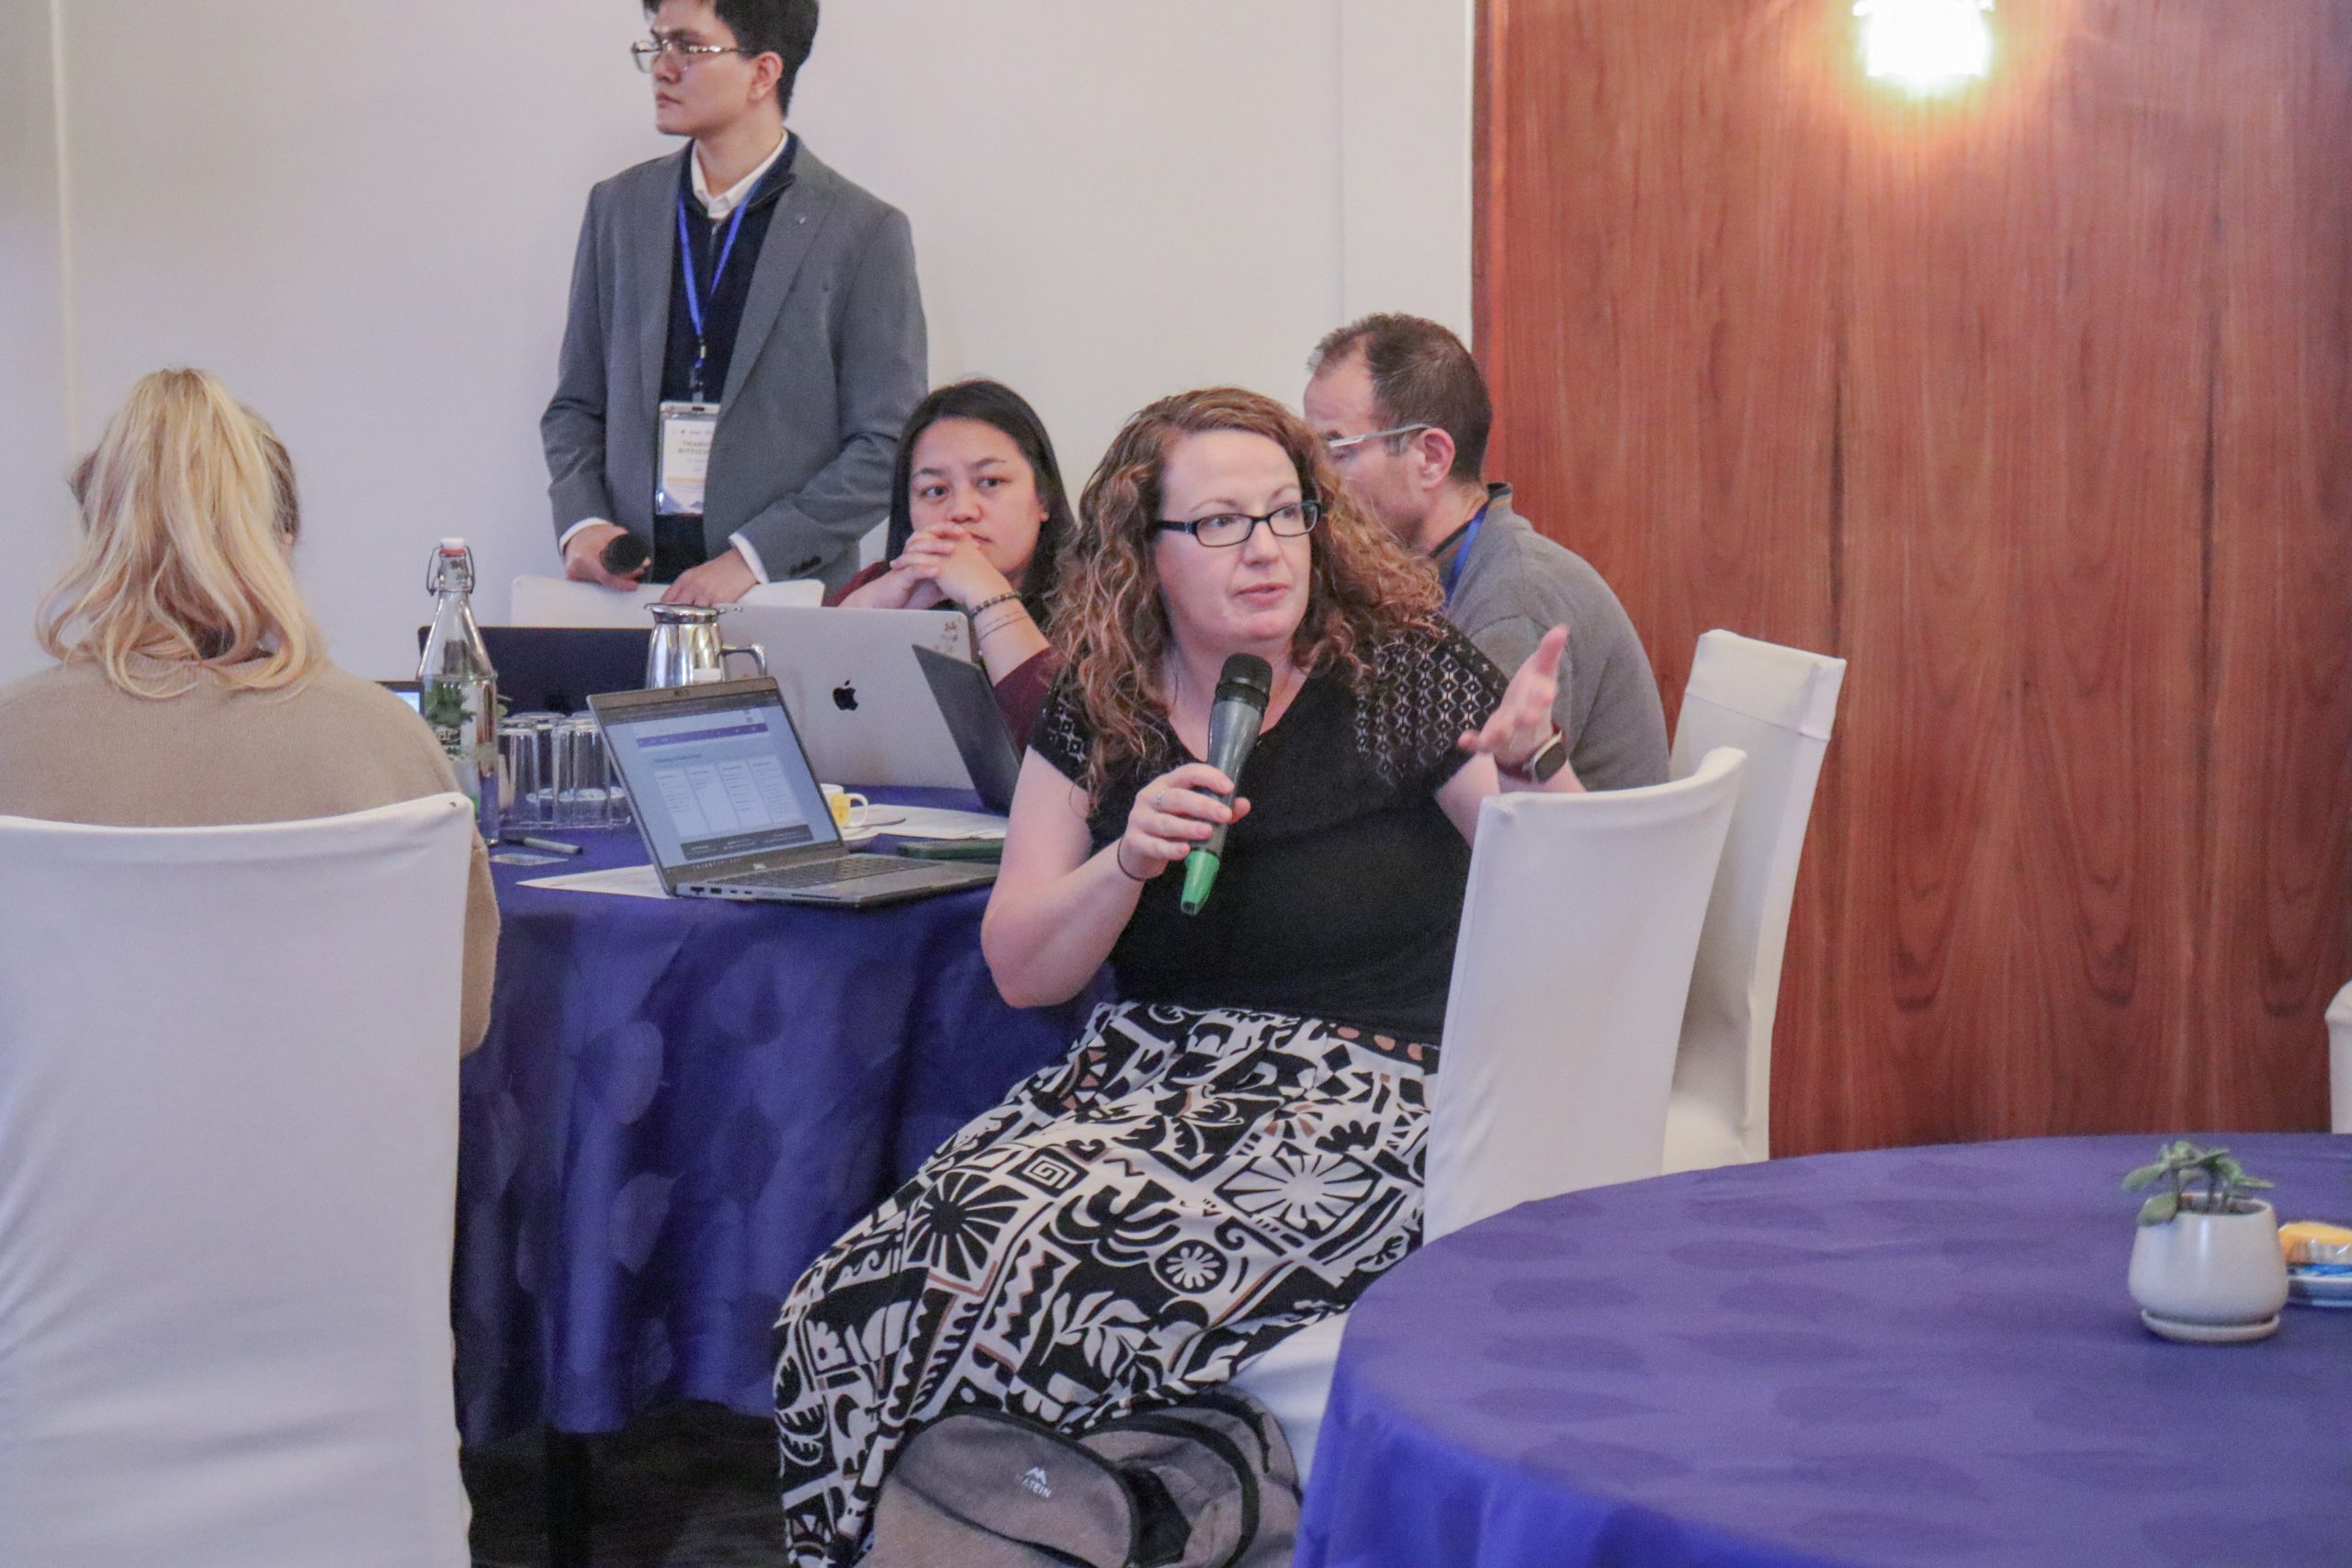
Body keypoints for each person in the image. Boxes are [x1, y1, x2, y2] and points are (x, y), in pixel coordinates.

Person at [771, 387, 1582, 1563]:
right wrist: (1124, 862)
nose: (1263, 548)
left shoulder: (1399, 670)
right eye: (1217, 523)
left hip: (1369, 1097)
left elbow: (1577, 911)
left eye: (1285, 513)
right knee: (844, 1302)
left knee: (1039, 1286)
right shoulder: (1103, 701)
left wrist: (1534, 767)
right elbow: (1022, 970)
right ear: (1142, 552)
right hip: (1144, 1087)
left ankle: (1125, 1512)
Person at [0, 369, 498, 1051]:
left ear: (100, 534)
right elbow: (460, 1022)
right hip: (333, 1123)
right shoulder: (389, 742)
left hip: (62, 1125)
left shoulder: (14, 735)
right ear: (278, 543)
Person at [543, 0, 925, 606]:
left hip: (781, 600)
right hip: (629, 594)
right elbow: (575, 406)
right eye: (657, 44)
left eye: (689, 47)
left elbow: (889, 444)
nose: (663, 67)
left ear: (763, 73)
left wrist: (753, 557)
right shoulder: (618, 208)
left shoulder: (863, 230)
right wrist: (582, 522)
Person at [1304, 312, 1669, 791]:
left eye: (1337, 450)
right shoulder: (1437, 570)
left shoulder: (1514, 599)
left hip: (1564, 841)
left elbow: (1492, 814)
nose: (1316, 483)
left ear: (1431, 458)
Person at [830, 378, 1072, 749]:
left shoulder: (1106, 603)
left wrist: (988, 594)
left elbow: (1066, 746)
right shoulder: (877, 585)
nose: (960, 511)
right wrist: (872, 610)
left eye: (990, 482)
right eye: (935, 491)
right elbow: (806, 720)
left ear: (1043, 499)